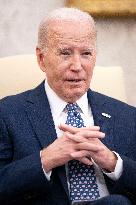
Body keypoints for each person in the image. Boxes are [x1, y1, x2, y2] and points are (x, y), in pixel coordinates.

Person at [0, 7, 136, 205]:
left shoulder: (127, 116)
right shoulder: (8, 114)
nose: (77, 66)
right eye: (65, 53)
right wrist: (46, 159)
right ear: (41, 59)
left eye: (86, 53)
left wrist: (113, 163)